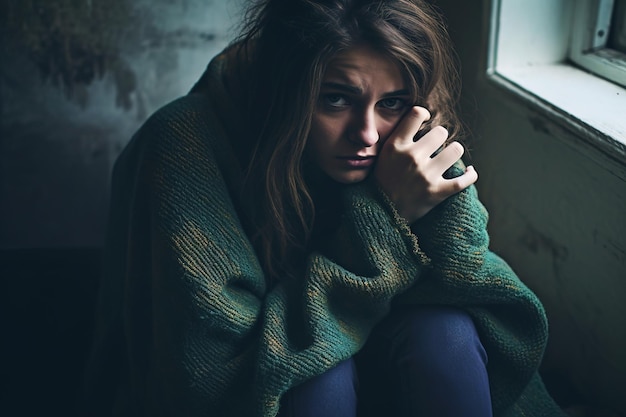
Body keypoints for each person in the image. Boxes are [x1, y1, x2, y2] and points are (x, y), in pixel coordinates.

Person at [82, 0, 567, 416]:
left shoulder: (406, 141)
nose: (368, 134)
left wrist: (438, 191)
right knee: (317, 378)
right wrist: (384, 215)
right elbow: (214, 375)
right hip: (265, 389)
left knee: (446, 335)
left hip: (381, 362)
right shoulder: (183, 145)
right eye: (336, 99)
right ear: (281, 91)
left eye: (393, 103)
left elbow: (470, 282)